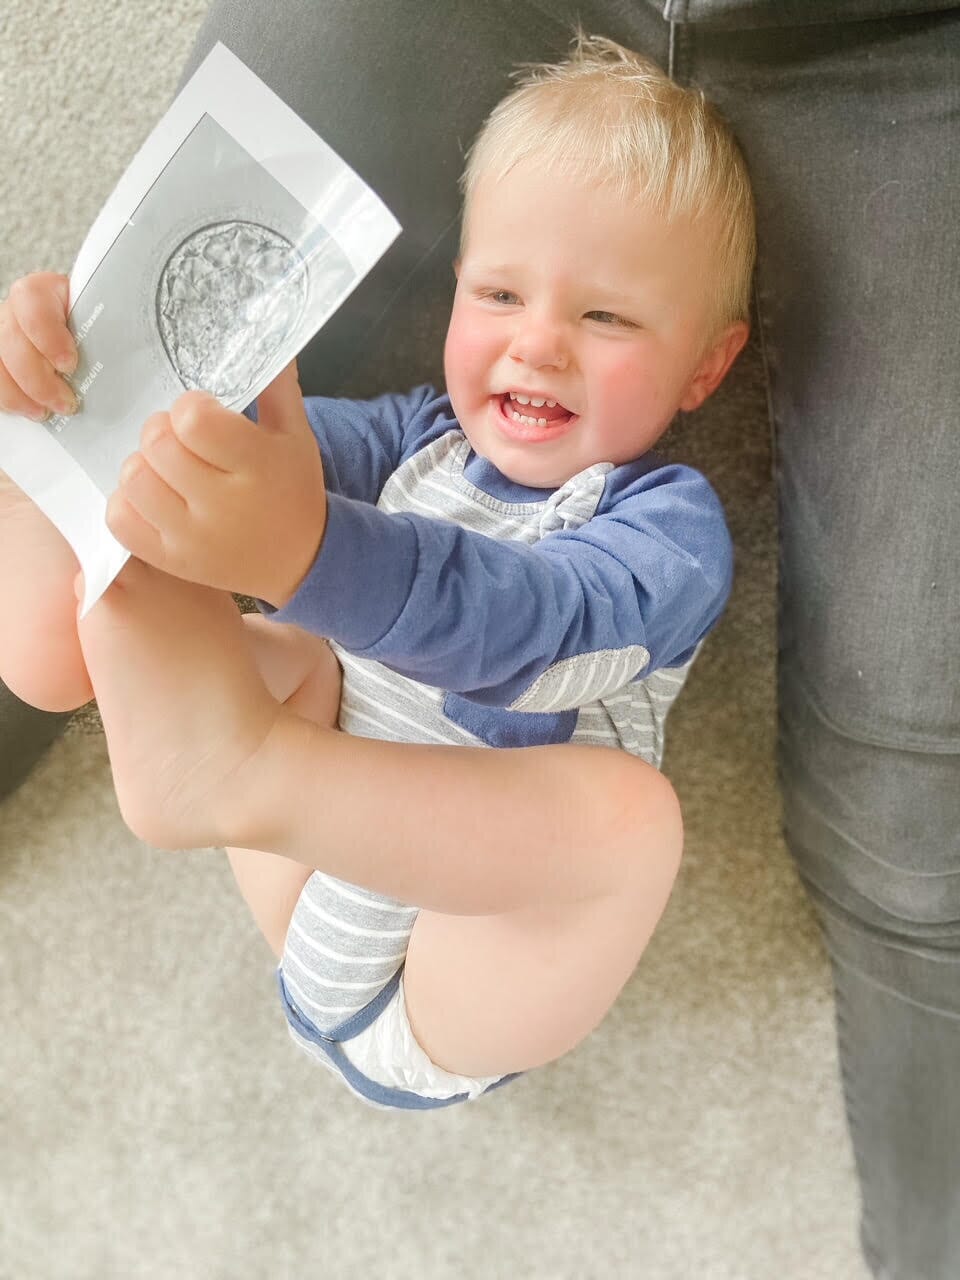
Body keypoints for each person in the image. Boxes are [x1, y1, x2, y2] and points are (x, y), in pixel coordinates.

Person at [0, 40, 753, 1110]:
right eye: (500, 292)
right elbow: (240, 463)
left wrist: (306, 552)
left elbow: (537, 639)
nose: (538, 342)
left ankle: (236, 771)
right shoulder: (415, 443)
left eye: (606, 316)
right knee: (180, 485)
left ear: (706, 366)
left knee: (629, 823)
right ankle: (41, 511)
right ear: (456, 293)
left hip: (444, 983)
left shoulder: (664, 526)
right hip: (306, 877)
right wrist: (80, 374)